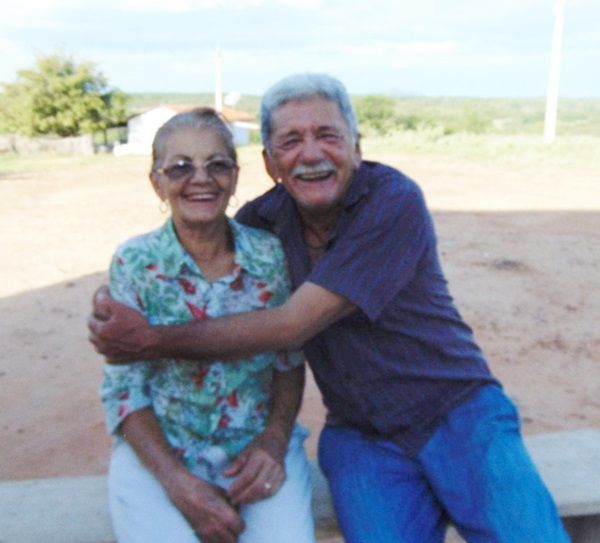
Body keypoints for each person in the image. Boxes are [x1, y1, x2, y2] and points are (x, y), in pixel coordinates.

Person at [90, 75, 570, 543]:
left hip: (457, 413)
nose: (312, 154)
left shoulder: (391, 200)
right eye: (291, 141)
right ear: (271, 162)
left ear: (356, 146)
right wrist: (115, 309)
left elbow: (291, 327)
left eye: (327, 135)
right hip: (363, 436)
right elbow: (203, 253)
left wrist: (150, 339)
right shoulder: (260, 228)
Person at [98, 107, 315, 543]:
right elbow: (125, 391)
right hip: (162, 449)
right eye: (180, 167)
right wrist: (179, 484)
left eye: (216, 164)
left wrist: (273, 443)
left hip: (256, 446)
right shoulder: (135, 263)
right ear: (156, 181)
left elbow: (288, 364)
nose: (200, 178)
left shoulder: (270, 256)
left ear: (234, 177)